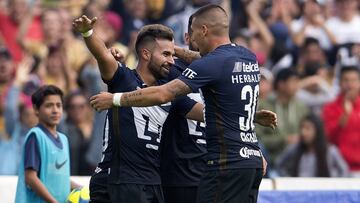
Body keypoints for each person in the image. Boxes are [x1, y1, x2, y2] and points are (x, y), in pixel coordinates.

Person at [90, 4, 277, 202]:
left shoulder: (208, 64)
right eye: (166, 54)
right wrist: (172, 50)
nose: (192, 39)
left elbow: (164, 94)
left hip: (223, 164)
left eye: (193, 33)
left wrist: (115, 99)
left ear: (204, 30)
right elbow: (210, 67)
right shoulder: (247, 57)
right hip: (250, 162)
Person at [73, 15, 204, 203]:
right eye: (166, 54)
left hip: (152, 181)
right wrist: (87, 32)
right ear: (145, 54)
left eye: (172, 54)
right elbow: (103, 55)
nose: (172, 61)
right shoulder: (124, 80)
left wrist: (251, 117)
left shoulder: (168, 92)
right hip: (118, 179)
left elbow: (206, 114)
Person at [15, 85, 79, 203]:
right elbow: (30, 177)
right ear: (36, 109)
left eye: (58, 105)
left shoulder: (64, 139)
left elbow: (60, 178)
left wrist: (82, 189)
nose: (55, 110)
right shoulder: (36, 136)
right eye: (49, 105)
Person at [276, 114, 349, 177]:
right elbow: (279, 164)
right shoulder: (294, 148)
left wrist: (334, 184)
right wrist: (289, 180)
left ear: (318, 131)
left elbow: (344, 171)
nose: (303, 132)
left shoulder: (330, 151)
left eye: (308, 128)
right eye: (302, 128)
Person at [322, 66, 360, 176]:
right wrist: (345, 116)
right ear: (339, 83)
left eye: (354, 80)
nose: (350, 84)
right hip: (338, 169)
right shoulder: (330, 108)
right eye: (346, 80)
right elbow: (328, 138)